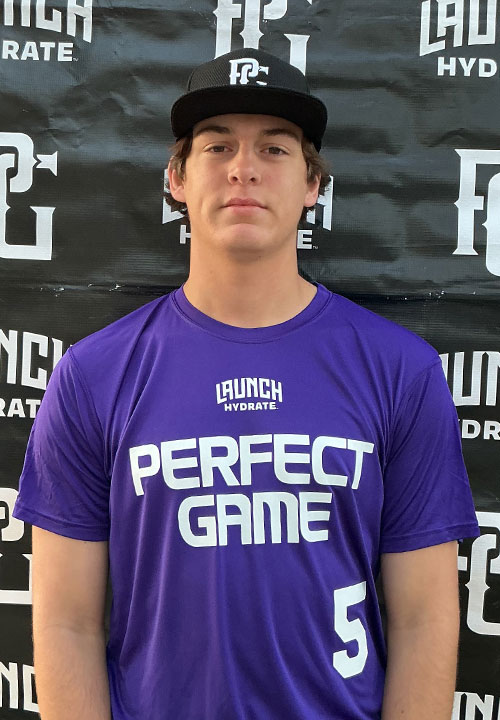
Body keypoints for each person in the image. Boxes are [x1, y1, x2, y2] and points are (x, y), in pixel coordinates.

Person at [14, 48, 479, 720]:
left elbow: (423, 617)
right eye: (217, 146)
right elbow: (66, 624)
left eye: (275, 148)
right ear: (176, 178)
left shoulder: (400, 370)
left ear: (313, 184)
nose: (243, 168)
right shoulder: (93, 375)